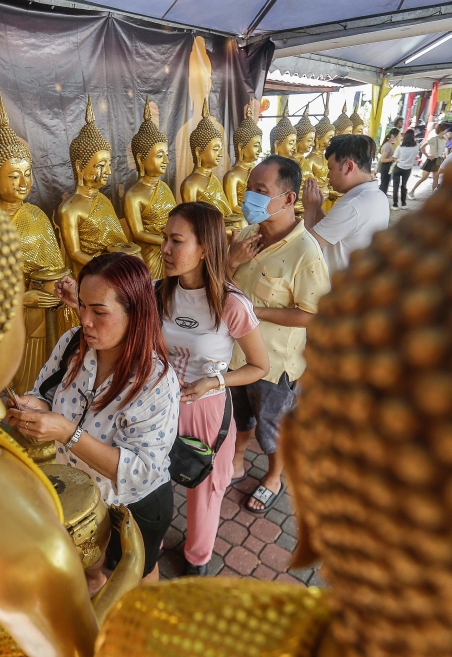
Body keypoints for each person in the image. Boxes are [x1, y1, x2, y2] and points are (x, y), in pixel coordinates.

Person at [11, 253, 180, 585]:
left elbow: (140, 471)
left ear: (136, 314)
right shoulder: (72, 344)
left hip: (132, 504)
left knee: (137, 573)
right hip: (81, 493)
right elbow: (46, 393)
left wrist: (67, 432)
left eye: (99, 312)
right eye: (82, 306)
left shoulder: (156, 381)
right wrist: (34, 406)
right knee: (92, 564)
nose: (85, 320)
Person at [156, 202, 270, 575]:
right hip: (156, 407)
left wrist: (216, 381)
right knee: (151, 482)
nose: (165, 249)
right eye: (164, 239)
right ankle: (147, 545)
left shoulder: (231, 303)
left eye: (176, 240)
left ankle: (196, 559)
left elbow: (259, 366)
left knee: (205, 490)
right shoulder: (157, 293)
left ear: (205, 247)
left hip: (206, 411)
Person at [226, 156, 330, 514]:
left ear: (288, 199)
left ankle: (273, 476)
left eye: (260, 191)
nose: (250, 197)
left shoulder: (306, 253)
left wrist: (257, 313)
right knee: (239, 417)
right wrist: (231, 261)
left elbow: (313, 315)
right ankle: (237, 459)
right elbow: (223, 285)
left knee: (272, 430)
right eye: (249, 188)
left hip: (274, 366)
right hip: (234, 357)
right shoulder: (245, 235)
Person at [302, 135, 390, 272]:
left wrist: (310, 209)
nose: (328, 176)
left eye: (331, 169)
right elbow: (334, 232)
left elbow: (305, 248)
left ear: (349, 167)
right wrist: (318, 208)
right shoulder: (378, 196)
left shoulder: (353, 205)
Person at [410, 122, 450, 197]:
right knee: (424, 177)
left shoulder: (445, 138)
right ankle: (412, 191)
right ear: (442, 130)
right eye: (446, 130)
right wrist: (427, 155)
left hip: (438, 160)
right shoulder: (433, 139)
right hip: (431, 160)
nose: (447, 131)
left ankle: (433, 195)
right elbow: (422, 147)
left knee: (436, 178)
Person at [391, 129, 419, 210]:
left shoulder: (400, 147)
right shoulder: (416, 146)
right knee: (404, 186)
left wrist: (399, 160)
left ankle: (395, 204)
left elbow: (395, 157)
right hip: (408, 169)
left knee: (395, 187)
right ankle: (403, 203)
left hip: (398, 167)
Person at [376, 128, 400, 195]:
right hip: (385, 167)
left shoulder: (389, 144)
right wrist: (393, 159)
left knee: (385, 184)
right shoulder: (387, 145)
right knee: (384, 185)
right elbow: (383, 160)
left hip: (387, 167)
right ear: (393, 136)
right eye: (397, 136)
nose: (398, 138)